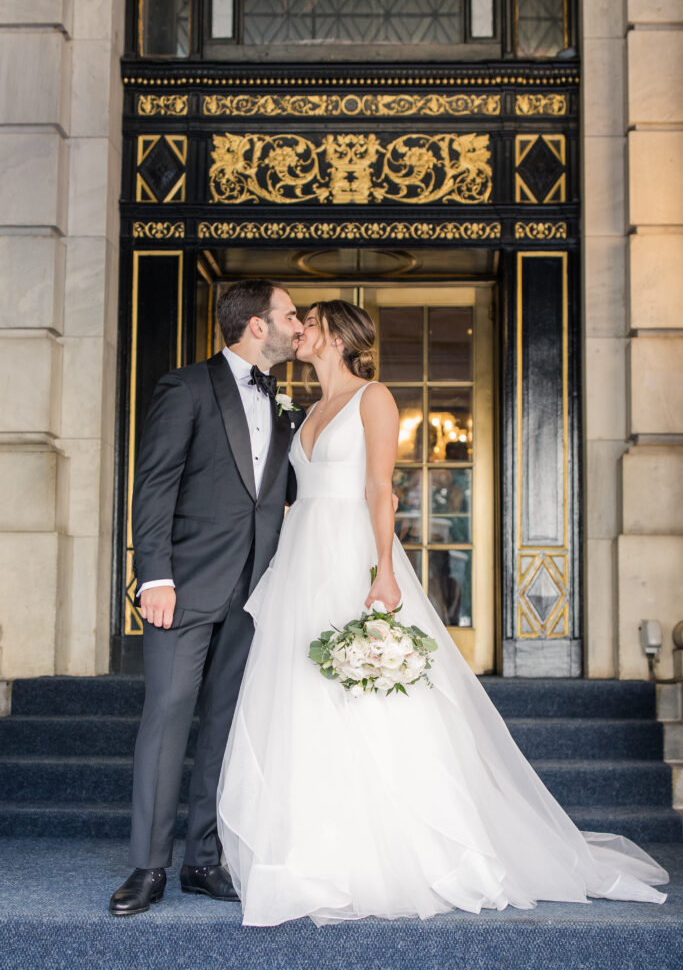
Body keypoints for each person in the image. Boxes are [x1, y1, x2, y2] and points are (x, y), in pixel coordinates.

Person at [216, 299, 668, 927]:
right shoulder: (307, 408)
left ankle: (400, 846)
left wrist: (382, 568)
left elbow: (379, 487)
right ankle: (313, 847)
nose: (300, 330)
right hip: (301, 558)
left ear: (338, 334)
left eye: (310, 321)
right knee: (300, 691)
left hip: (351, 551)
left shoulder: (374, 398)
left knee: (370, 694)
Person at [109, 279, 304, 916]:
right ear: (256, 325)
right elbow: (154, 484)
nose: (297, 326)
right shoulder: (186, 387)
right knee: (166, 718)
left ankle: (202, 857)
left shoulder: (282, 402)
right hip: (185, 585)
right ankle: (147, 866)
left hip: (255, 590)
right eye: (290, 316)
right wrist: (154, 575)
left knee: (225, 724)